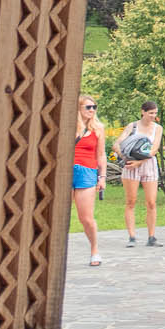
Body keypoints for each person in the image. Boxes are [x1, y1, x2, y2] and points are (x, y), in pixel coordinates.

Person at [114, 100, 163, 248]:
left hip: (148, 164)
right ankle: (132, 237)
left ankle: (151, 237)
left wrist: (140, 162)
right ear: (143, 112)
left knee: (151, 202)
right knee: (131, 201)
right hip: (131, 165)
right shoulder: (133, 126)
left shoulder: (157, 128)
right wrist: (124, 157)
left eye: (155, 113)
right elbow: (117, 143)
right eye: (150, 113)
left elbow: (154, 149)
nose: (153, 116)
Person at [71, 95, 105, 267]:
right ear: (79, 108)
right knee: (58, 214)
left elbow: (100, 154)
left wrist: (102, 177)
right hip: (67, 170)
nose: (92, 110)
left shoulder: (98, 129)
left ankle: (94, 249)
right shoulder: (70, 126)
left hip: (87, 172)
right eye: (88, 107)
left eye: (94, 107)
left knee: (86, 217)